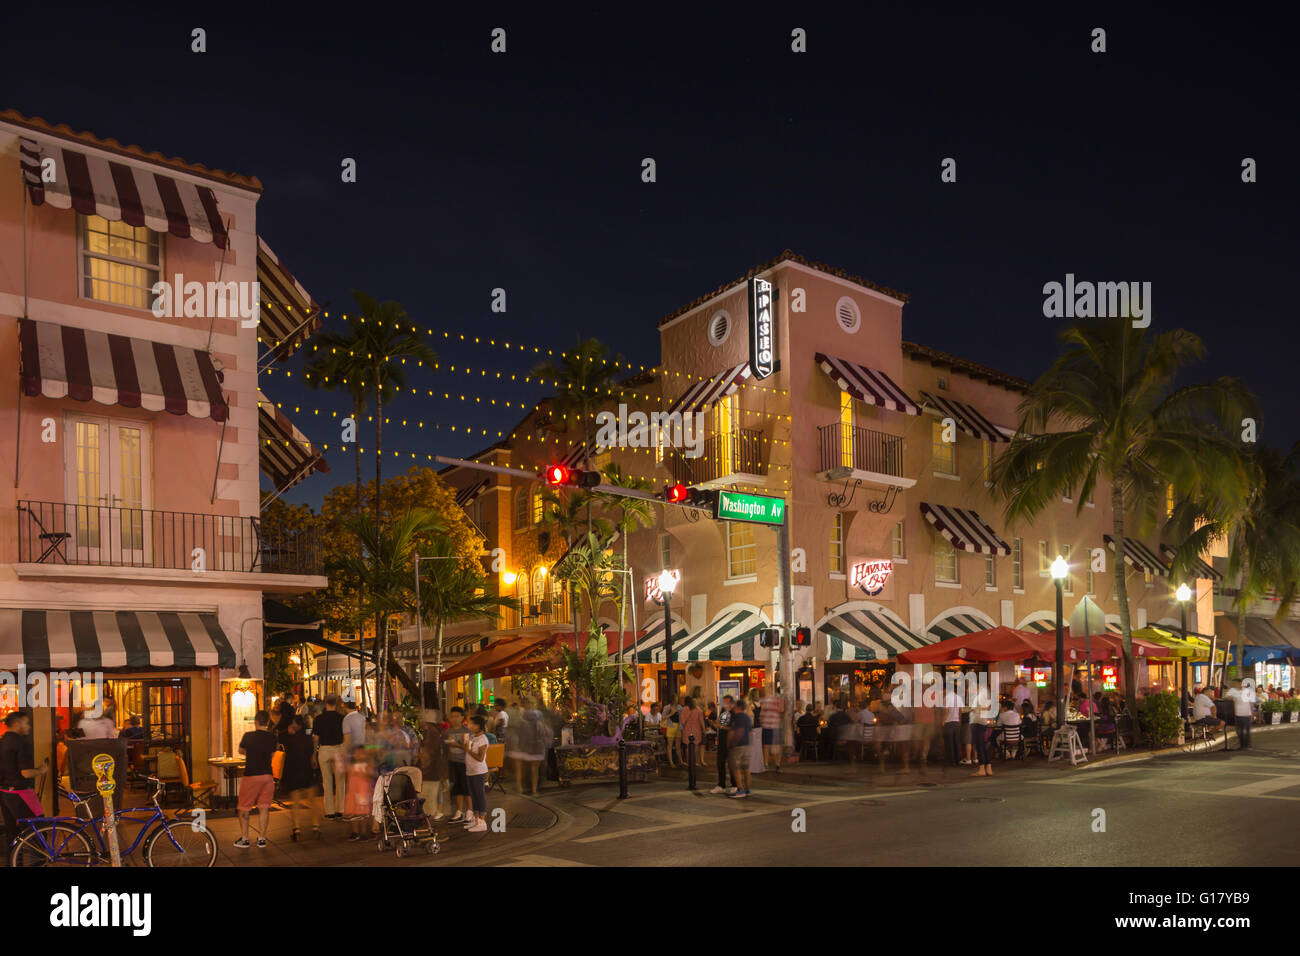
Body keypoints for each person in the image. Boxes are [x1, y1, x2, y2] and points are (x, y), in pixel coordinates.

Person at [0, 712, 48, 854]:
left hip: (4, 792)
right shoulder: (21, 743)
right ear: (17, 724)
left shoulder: (2, 741)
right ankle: (39, 863)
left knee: (12, 835)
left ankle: (14, 863)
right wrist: (41, 770)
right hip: (21, 792)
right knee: (38, 832)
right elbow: (25, 772)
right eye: (26, 723)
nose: (28, 726)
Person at [234, 710, 278, 848]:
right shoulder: (272, 738)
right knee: (264, 808)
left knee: (244, 808)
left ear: (256, 721)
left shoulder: (248, 736)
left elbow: (240, 751)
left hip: (251, 775)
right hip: (267, 776)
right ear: (267, 722)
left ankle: (245, 839)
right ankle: (262, 839)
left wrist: (251, 752)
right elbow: (272, 753)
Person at [448, 715, 489, 832]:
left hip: (478, 770)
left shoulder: (482, 739)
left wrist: (468, 750)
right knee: (473, 795)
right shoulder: (473, 736)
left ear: (479, 726)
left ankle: (482, 821)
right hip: (470, 770)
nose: (470, 726)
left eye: (473, 724)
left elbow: (480, 758)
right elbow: (467, 749)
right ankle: (475, 819)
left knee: (479, 795)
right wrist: (462, 744)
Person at [281, 716, 319, 840]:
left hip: (294, 772)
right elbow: (312, 754)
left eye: (292, 723)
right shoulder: (309, 739)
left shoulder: (290, 739)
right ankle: (315, 827)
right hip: (307, 771)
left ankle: (297, 830)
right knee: (312, 800)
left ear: (296, 725)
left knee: (296, 802)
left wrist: (289, 731)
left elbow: (284, 749)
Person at [313, 694, 347, 820]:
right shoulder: (342, 718)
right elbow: (345, 736)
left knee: (326, 781)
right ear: (337, 702)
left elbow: (316, 739)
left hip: (324, 749)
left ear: (325, 702)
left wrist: (314, 753)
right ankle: (340, 809)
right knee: (340, 780)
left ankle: (329, 811)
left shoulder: (318, 719)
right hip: (338, 748)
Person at [415, 709, 450, 820]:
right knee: (429, 801)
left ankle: (429, 828)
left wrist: (419, 762)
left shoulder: (431, 734)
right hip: (432, 772)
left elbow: (427, 755)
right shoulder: (433, 733)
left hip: (429, 773)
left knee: (428, 803)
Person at [509, 699, 549, 795]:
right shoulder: (536, 717)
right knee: (530, 769)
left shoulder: (521, 716)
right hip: (531, 745)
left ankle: (523, 788)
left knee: (525, 768)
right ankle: (530, 789)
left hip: (527, 745)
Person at [444, 706, 472, 822]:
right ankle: (459, 810)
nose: (454, 719)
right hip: (452, 762)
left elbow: (468, 749)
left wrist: (457, 745)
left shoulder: (467, 731)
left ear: (462, 717)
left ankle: (469, 810)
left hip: (465, 762)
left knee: (466, 787)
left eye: (457, 716)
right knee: (456, 787)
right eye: (452, 716)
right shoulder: (447, 732)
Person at [344, 745, 376, 841]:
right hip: (353, 793)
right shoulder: (351, 766)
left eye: (362, 753)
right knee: (354, 813)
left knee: (364, 813)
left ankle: (364, 832)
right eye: (357, 753)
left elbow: (371, 775)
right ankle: (355, 832)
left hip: (363, 793)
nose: (359, 755)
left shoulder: (367, 765)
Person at [708, 695, 735, 794]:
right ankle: (721, 785)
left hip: (731, 742)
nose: (724, 704)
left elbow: (734, 727)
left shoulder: (735, 712)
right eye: (724, 702)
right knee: (720, 763)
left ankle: (734, 785)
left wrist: (722, 727)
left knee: (732, 764)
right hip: (722, 740)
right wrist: (715, 724)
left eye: (726, 702)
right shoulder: (723, 710)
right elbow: (720, 722)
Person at [727, 698, 754, 798]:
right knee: (746, 768)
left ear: (737, 707)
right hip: (747, 745)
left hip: (738, 746)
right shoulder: (747, 717)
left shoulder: (736, 717)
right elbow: (750, 732)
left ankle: (740, 789)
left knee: (736, 768)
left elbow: (735, 732)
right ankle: (748, 789)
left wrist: (731, 743)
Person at [758, 690, 785, 770]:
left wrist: (761, 721)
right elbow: (782, 713)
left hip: (766, 726)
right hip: (776, 726)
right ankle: (777, 765)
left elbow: (760, 713)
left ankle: (766, 764)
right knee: (777, 746)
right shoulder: (780, 700)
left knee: (766, 746)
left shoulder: (763, 700)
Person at [678, 696, 707, 766]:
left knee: (690, 746)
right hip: (695, 729)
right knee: (694, 746)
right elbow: (701, 721)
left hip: (689, 729)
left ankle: (690, 762)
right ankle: (693, 762)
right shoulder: (697, 709)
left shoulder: (686, 709)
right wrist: (703, 729)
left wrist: (703, 729)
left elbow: (683, 721)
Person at [1225, 680, 1253, 749]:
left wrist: (1251, 713)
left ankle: (1246, 745)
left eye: (1239, 683)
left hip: (1247, 713)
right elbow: (1226, 697)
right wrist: (1231, 697)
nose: (1237, 685)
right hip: (1238, 713)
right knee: (1239, 730)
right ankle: (1243, 744)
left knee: (1246, 730)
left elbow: (1250, 702)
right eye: (1236, 684)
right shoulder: (1233, 690)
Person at [970, 699, 994, 777]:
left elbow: (980, 709)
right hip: (984, 723)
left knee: (980, 746)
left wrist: (972, 709)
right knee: (984, 746)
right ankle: (988, 767)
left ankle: (982, 769)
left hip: (978, 723)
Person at [941, 683, 962, 766]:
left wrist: (943, 720)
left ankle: (951, 761)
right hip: (956, 721)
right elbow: (961, 710)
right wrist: (959, 720)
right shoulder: (959, 697)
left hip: (949, 722)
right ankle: (957, 760)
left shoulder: (947, 698)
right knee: (956, 742)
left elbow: (945, 710)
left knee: (948, 743)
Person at [662, 700, 682, 766]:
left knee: (678, 746)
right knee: (670, 745)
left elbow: (681, 718)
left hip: (678, 727)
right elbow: (663, 718)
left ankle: (680, 761)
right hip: (670, 726)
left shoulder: (679, 707)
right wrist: (671, 714)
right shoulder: (667, 707)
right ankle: (671, 762)